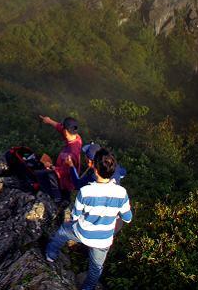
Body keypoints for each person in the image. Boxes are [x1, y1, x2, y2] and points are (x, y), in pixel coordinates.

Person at [45, 148, 132, 290]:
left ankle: (50, 255)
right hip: (103, 240)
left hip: (82, 233)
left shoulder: (85, 191)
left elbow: (75, 215)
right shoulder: (122, 193)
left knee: (62, 232)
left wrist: (73, 221)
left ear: (95, 170)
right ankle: (88, 287)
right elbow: (128, 218)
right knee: (96, 268)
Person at [39, 115, 83, 199]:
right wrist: (49, 121)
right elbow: (60, 127)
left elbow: (65, 172)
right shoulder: (76, 137)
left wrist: (50, 166)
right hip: (61, 172)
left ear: (66, 132)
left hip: (65, 183)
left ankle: (56, 198)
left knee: (41, 175)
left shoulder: (72, 153)